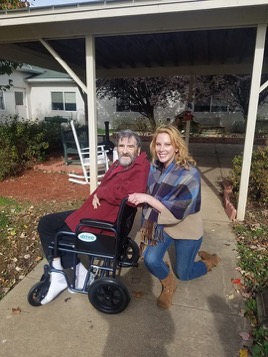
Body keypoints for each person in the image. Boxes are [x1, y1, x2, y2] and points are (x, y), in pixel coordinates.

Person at [38, 129, 150, 305]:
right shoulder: (120, 164)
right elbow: (105, 185)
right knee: (47, 223)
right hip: (92, 212)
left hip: (102, 221)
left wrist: (103, 192)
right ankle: (58, 269)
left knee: (56, 231)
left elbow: (131, 195)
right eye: (121, 145)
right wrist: (99, 192)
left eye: (130, 146)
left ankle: (67, 273)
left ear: (138, 149)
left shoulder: (141, 167)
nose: (125, 150)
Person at [128, 125, 220, 309]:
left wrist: (148, 198)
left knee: (184, 273)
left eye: (167, 144)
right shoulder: (154, 169)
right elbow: (144, 201)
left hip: (185, 229)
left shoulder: (189, 174)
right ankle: (169, 284)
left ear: (177, 147)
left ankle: (209, 261)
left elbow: (176, 214)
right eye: (158, 144)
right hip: (161, 225)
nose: (162, 149)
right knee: (151, 259)